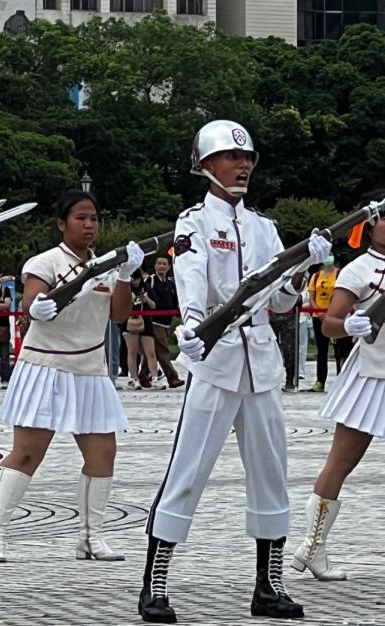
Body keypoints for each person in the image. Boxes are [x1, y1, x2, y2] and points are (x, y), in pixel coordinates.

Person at [138, 121, 331, 623]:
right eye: (230, 158)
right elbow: (191, 274)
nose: (242, 166)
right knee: (188, 469)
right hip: (216, 358)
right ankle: (155, 583)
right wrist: (195, 324)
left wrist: (301, 270)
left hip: (261, 361)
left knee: (271, 471)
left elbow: (283, 301)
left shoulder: (264, 228)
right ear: (206, 166)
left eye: (247, 159)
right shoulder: (194, 221)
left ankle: (269, 584)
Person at [0, 190, 143, 564]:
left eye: (94, 219)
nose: (89, 225)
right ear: (61, 223)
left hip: (90, 370)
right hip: (46, 367)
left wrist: (126, 276)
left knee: (103, 454)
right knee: (26, 453)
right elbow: (32, 302)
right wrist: (39, 304)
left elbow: (119, 316)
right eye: (81, 218)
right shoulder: (46, 261)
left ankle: (91, 536)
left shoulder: (107, 265)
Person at [291, 200, 385, 582]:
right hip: (370, 376)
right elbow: (329, 323)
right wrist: (353, 327)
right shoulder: (358, 269)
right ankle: (312, 546)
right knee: (341, 463)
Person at [141, 256, 184, 388]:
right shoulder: (151, 280)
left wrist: (181, 314)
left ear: (169, 267)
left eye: (164, 264)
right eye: (159, 263)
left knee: (153, 351)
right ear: (155, 266)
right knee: (163, 349)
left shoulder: (171, 283)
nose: (161, 266)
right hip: (153, 320)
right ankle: (172, 377)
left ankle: (143, 375)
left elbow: (176, 300)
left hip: (166, 321)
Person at [124, 270, 163, 390]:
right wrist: (130, 299)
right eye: (133, 279)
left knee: (150, 352)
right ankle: (133, 379)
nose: (135, 282)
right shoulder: (124, 289)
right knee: (132, 351)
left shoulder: (145, 288)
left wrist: (146, 299)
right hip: (130, 322)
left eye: (137, 279)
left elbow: (155, 306)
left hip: (146, 321)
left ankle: (155, 378)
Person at [307, 256, 339, 392]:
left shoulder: (339, 274)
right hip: (318, 317)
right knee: (322, 350)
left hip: (335, 316)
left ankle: (340, 380)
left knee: (339, 350)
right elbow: (311, 298)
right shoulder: (316, 276)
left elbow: (340, 295)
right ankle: (320, 381)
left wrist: (331, 313)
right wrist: (318, 313)